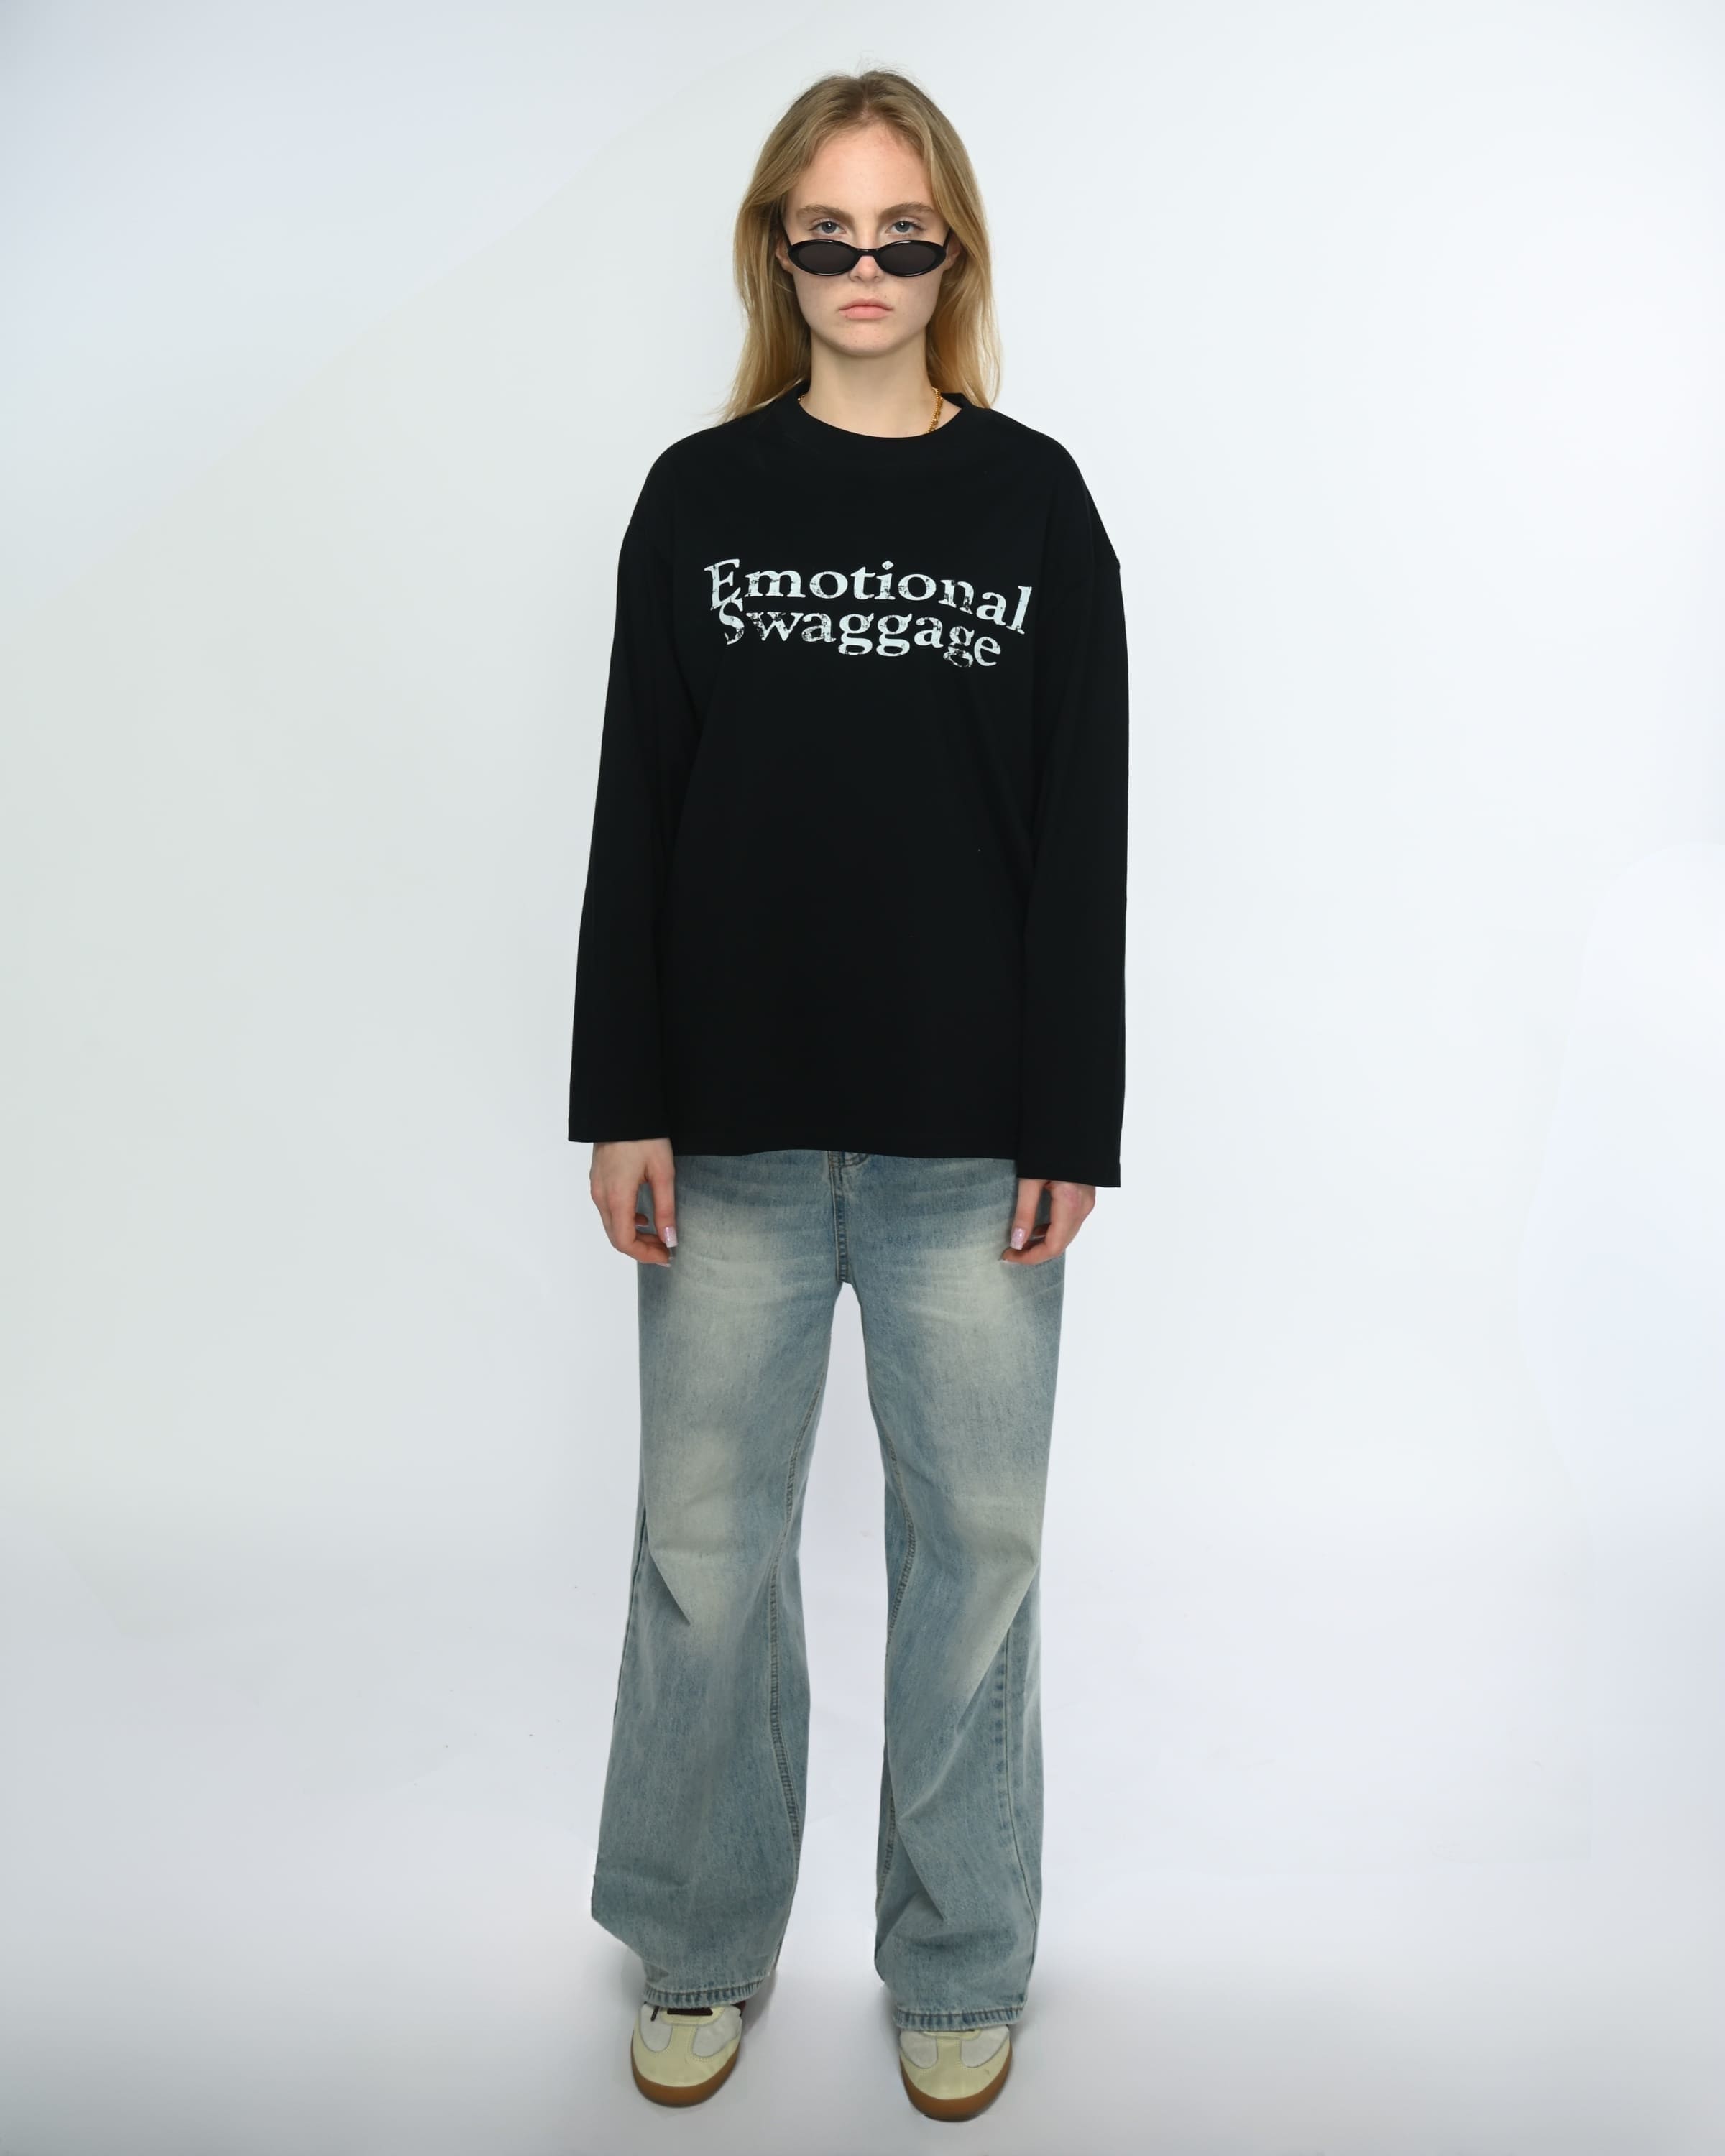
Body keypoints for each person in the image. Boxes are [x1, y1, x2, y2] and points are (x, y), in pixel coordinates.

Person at [567, 66, 1128, 2123]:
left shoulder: (1036, 503)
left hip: (971, 1140)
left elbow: (1085, 833)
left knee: (976, 1549)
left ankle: (961, 1960)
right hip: (725, 1132)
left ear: (952, 249)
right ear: (776, 251)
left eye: (904, 233)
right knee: (705, 1547)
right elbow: (637, 814)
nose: (865, 267)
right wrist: (623, 1097)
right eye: (828, 234)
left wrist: (1073, 1120)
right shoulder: (698, 500)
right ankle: (699, 1944)